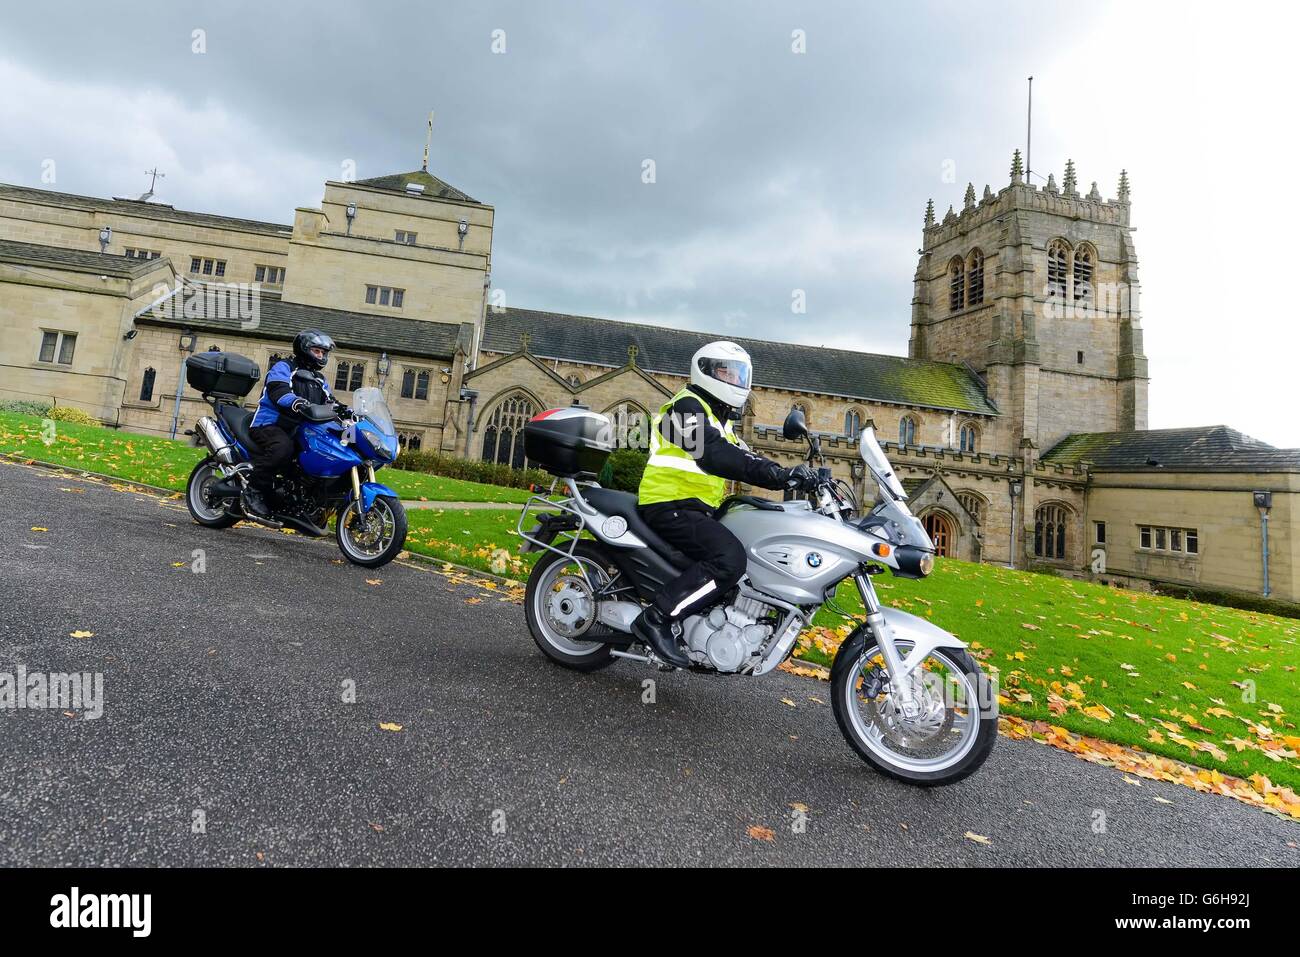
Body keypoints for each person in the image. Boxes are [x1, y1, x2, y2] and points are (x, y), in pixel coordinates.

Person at [633, 340, 817, 667]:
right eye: (726, 373)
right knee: (729, 560)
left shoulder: (721, 421)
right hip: (667, 503)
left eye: (739, 375)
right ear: (705, 372)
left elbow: (745, 457)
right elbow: (715, 454)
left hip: (695, 508)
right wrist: (780, 477)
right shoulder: (684, 409)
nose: (735, 382)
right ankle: (657, 617)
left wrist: (790, 473)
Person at [242, 329, 347, 520]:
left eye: (323, 353)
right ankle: (253, 491)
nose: (321, 356)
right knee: (282, 449)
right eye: (317, 351)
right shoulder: (285, 367)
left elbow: (330, 401)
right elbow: (278, 390)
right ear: (304, 349)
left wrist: (346, 412)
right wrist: (296, 402)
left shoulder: (319, 379)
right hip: (271, 424)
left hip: (300, 429)